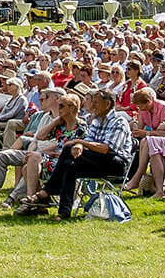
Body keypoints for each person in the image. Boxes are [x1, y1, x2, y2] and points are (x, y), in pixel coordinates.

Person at [49, 89, 136, 220]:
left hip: (116, 163)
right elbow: (88, 141)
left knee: (68, 149)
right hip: (97, 160)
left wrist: (79, 142)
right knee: (70, 164)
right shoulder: (96, 120)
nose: (92, 106)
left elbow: (106, 149)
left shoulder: (119, 121)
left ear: (107, 104)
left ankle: (48, 191)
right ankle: (64, 212)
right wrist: (79, 145)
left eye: (96, 102)